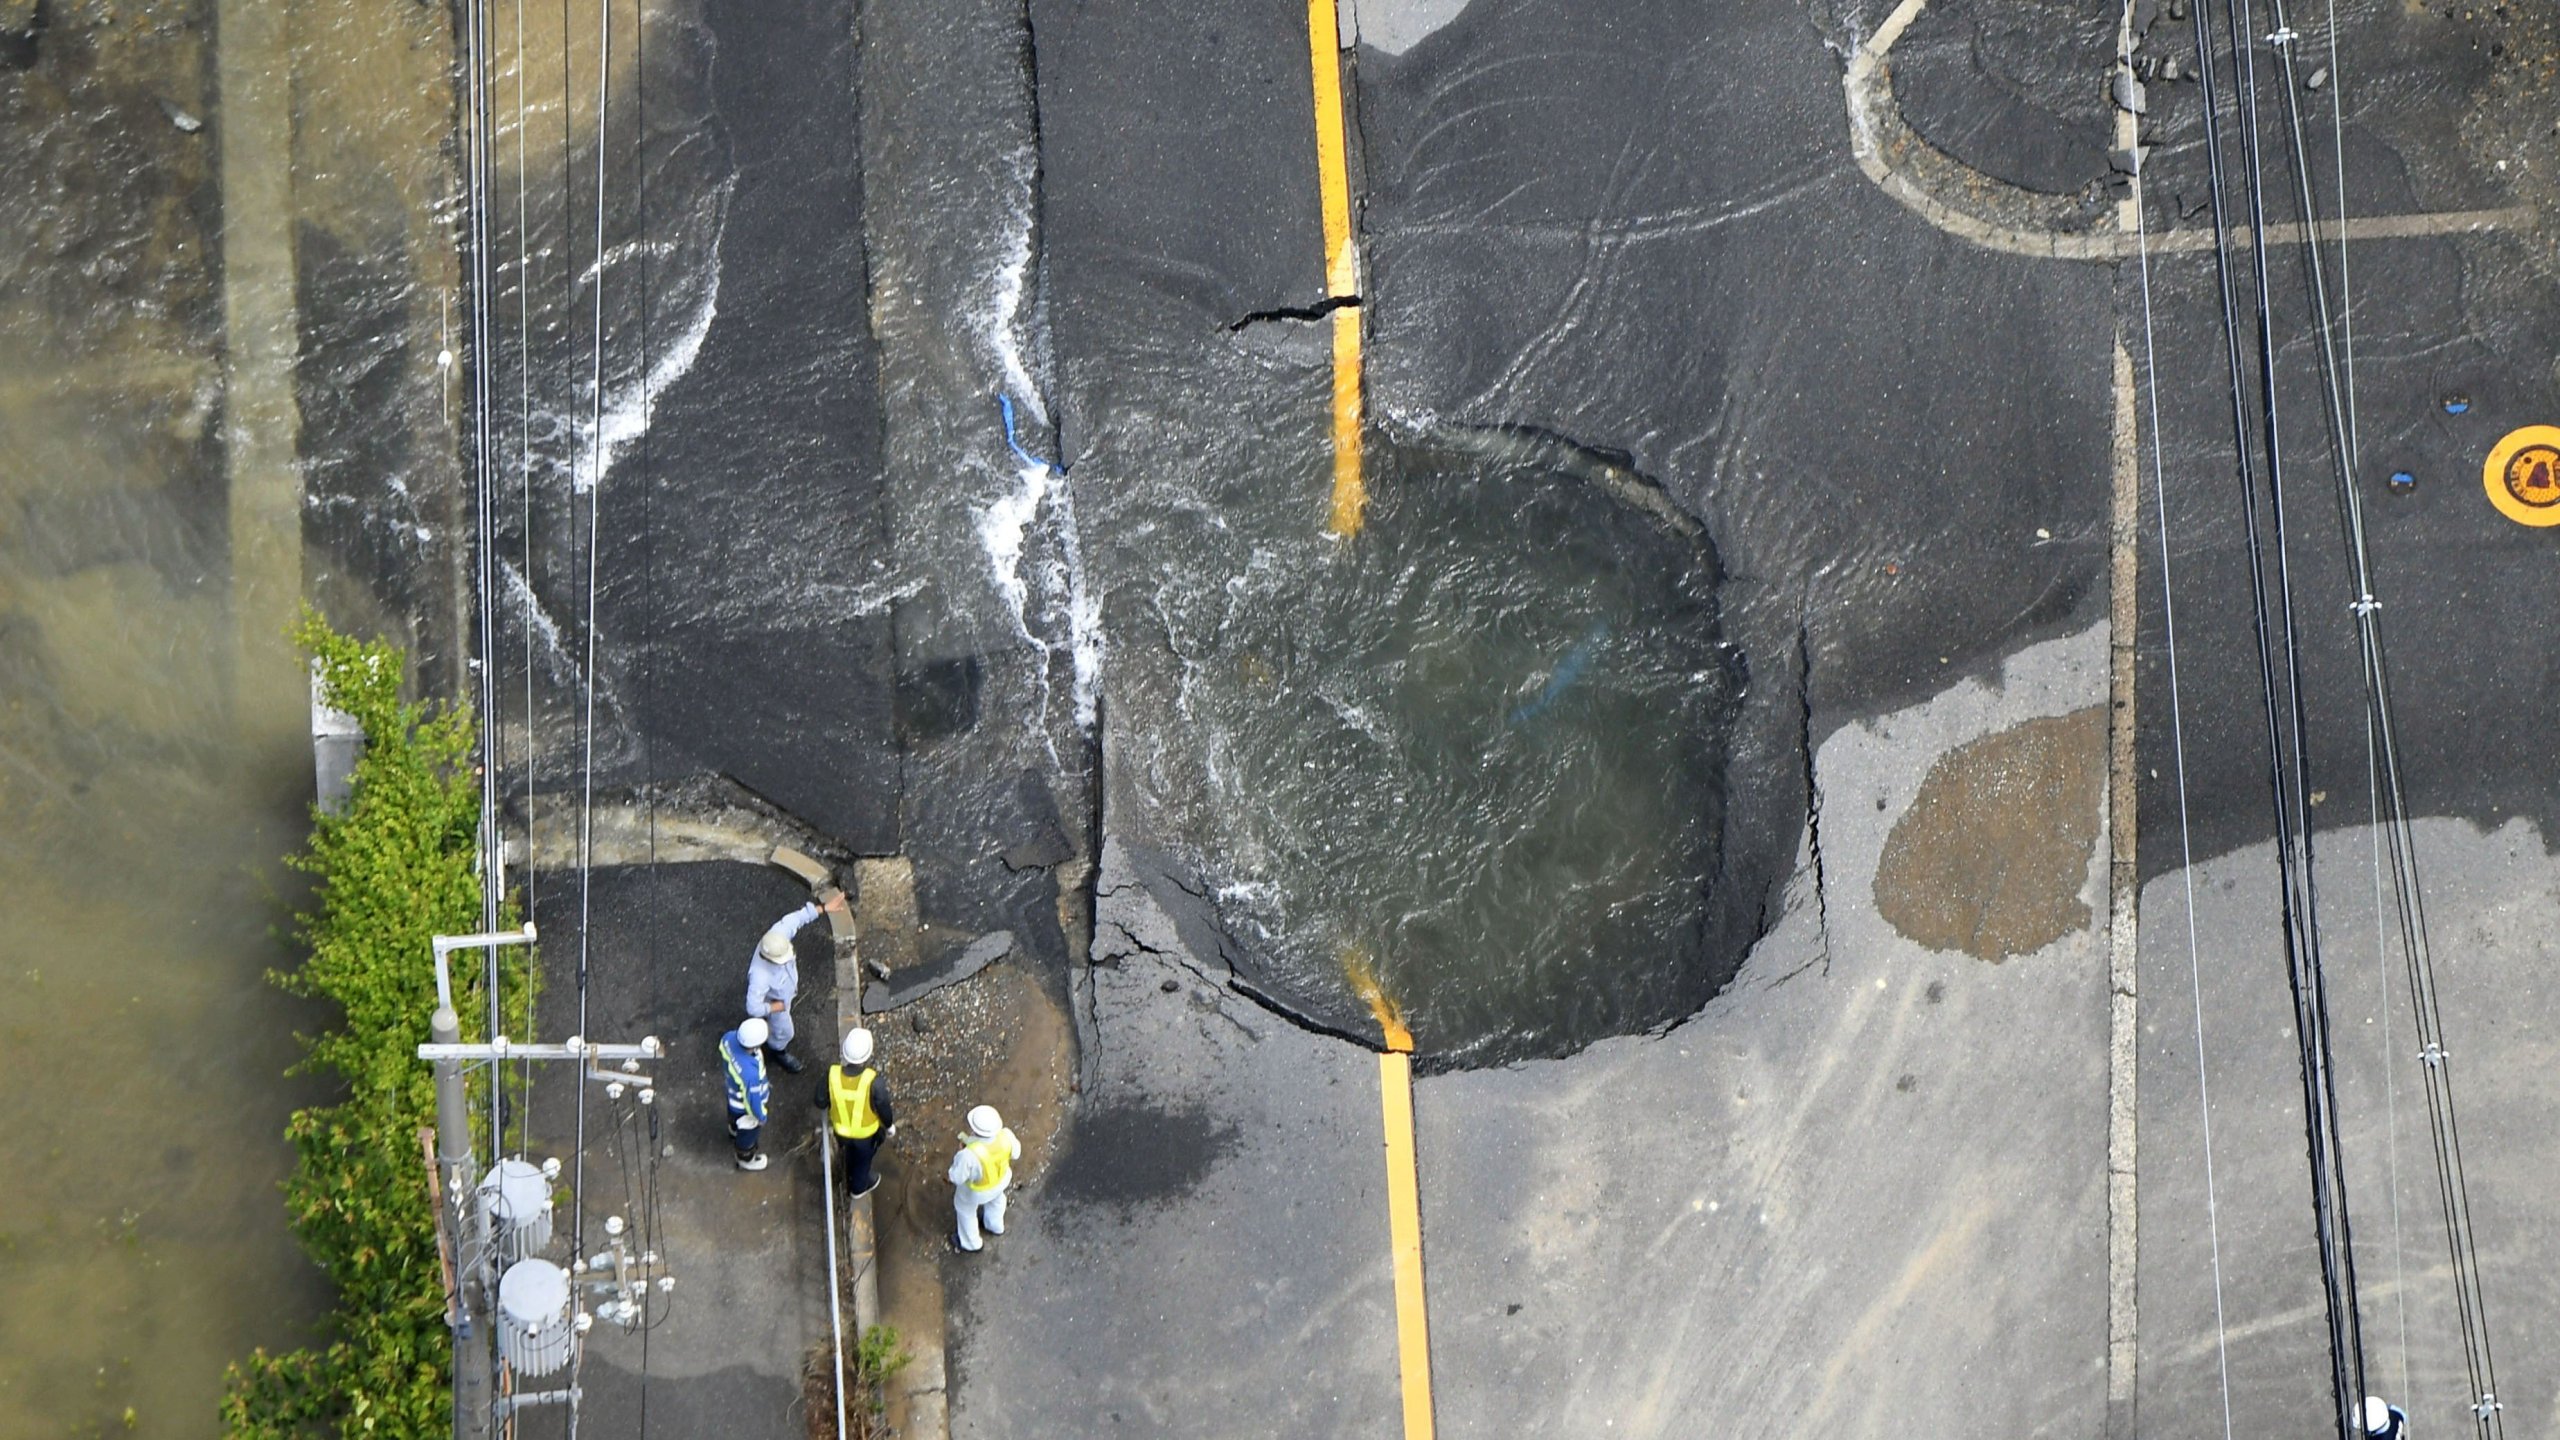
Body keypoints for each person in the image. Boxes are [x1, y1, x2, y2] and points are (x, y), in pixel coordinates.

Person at [744, 890, 846, 1074]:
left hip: (786, 994)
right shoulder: (760, 977)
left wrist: (824, 908)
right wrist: (774, 1008)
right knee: (785, 1032)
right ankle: (778, 1050)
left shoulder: (777, 935)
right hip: (779, 1002)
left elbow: (796, 919)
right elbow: (752, 1007)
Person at [813, 1027, 895, 1198]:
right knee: (863, 1163)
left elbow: (819, 1100)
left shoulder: (832, 1074)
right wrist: (889, 1126)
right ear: (868, 1054)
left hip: (841, 1132)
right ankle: (858, 1188)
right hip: (865, 1136)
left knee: (850, 1153)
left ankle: (850, 1167)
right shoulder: (873, 1081)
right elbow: (883, 1108)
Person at [947, 1104, 1022, 1254]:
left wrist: (960, 1153)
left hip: (977, 1191)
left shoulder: (968, 1155)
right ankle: (994, 1225)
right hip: (1001, 1181)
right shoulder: (1006, 1136)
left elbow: (956, 1177)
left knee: (965, 1210)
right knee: (997, 1200)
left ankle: (971, 1243)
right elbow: (1016, 1153)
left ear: (973, 1128)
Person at [720, 1017, 774, 1172]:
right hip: (745, 1108)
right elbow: (753, 1100)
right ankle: (746, 1158)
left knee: (733, 1115)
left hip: (733, 1095)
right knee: (749, 1133)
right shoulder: (750, 1073)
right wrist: (760, 1116)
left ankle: (733, 1129)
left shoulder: (728, 1038)